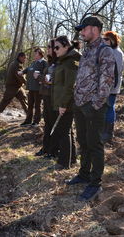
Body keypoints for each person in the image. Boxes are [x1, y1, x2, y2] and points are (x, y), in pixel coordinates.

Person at [66, 16, 116, 201]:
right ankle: (84, 174)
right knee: (83, 141)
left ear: (94, 29)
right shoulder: (87, 51)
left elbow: (107, 80)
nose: (81, 32)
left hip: (94, 106)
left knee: (94, 144)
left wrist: (96, 104)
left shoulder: (105, 51)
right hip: (80, 104)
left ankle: (95, 184)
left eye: (83, 29)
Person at [47, 36, 80, 169]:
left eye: (57, 47)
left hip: (66, 103)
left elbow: (70, 86)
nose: (55, 50)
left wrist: (63, 104)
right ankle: (71, 159)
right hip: (62, 102)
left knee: (63, 132)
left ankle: (63, 163)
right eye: (53, 47)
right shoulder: (63, 60)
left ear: (66, 46)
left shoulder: (71, 61)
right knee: (67, 131)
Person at [35, 40, 58, 158]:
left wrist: (39, 77)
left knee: (53, 124)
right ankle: (45, 148)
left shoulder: (58, 62)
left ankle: (53, 151)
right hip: (46, 95)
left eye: (49, 47)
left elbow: (52, 80)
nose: (47, 49)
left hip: (53, 97)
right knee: (47, 123)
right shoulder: (50, 62)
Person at [101, 31, 124, 143]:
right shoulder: (108, 51)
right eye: (103, 39)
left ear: (112, 40)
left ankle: (108, 133)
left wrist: (109, 85)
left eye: (106, 39)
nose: (104, 41)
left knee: (109, 108)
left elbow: (116, 71)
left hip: (112, 87)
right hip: (105, 85)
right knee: (104, 108)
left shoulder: (117, 53)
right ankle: (103, 131)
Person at [0, 52, 28, 120]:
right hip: (12, 87)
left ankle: (29, 115)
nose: (25, 60)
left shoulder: (16, 63)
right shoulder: (16, 64)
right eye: (24, 58)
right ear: (20, 57)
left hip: (17, 86)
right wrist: (27, 83)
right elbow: (20, 76)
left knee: (23, 98)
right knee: (6, 100)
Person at [19, 48, 47, 126]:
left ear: (41, 54)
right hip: (30, 87)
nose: (34, 55)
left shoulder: (44, 63)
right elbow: (29, 69)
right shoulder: (33, 63)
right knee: (30, 105)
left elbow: (47, 74)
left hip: (38, 88)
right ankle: (28, 120)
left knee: (37, 105)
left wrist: (41, 78)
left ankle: (36, 121)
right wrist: (22, 72)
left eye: (36, 53)